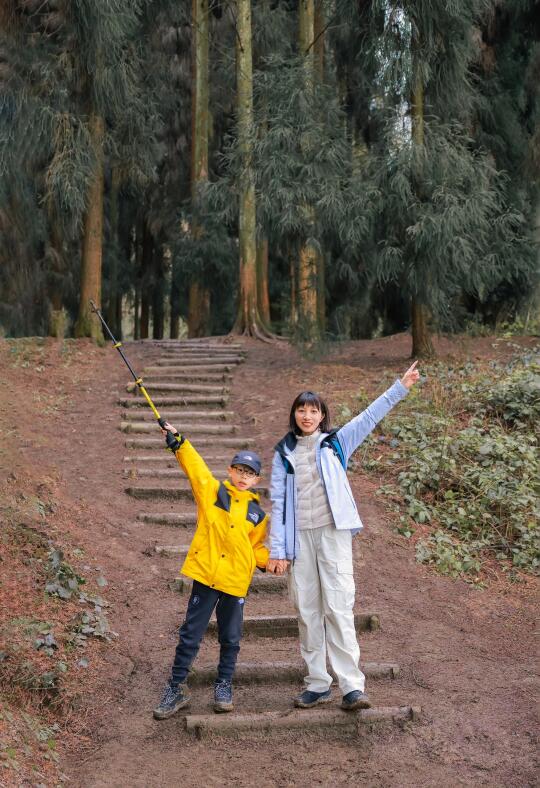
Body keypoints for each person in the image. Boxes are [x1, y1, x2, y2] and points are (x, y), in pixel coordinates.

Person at [267, 362, 420, 711]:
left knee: (338, 607)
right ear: (294, 414)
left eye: (314, 410)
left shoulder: (336, 442)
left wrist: (401, 386)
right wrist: (278, 549)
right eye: (301, 410)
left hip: (332, 534)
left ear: (322, 416)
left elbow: (369, 416)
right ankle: (318, 683)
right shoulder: (283, 453)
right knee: (307, 611)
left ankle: (352, 686)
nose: (307, 415)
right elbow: (278, 502)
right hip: (299, 540)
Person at [153, 422, 269, 719]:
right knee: (191, 632)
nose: (244, 477)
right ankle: (176, 686)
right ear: (230, 471)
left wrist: (268, 560)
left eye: (250, 473)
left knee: (231, 636)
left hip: (235, 582)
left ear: (257, 480)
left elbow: (256, 547)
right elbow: (197, 469)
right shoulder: (214, 493)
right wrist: (179, 442)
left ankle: (224, 684)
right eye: (240, 470)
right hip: (207, 575)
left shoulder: (259, 515)